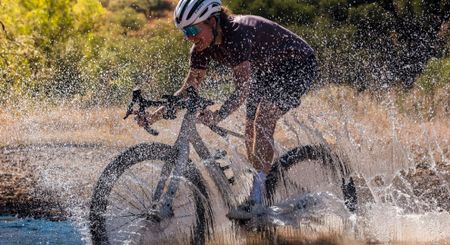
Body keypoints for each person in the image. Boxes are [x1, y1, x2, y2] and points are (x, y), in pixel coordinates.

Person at [138, 0, 316, 211]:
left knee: (262, 121)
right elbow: (189, 88)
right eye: (184, 32)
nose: (190, 37)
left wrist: (218, 115)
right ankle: (265, 186)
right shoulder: (201, 48)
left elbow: (243, 90)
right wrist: (153, 116)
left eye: (193, 29)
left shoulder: (238, 34)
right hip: (265, 70)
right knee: (250, 132)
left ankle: (257, 199)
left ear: (212, 21)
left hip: (297, 64)